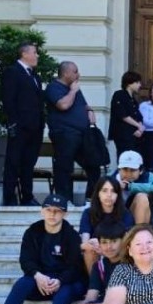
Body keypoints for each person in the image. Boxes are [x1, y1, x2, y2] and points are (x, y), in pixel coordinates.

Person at [43, 61, 100, 202]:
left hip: (82, 134)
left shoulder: (74, 88)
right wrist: (73, 91)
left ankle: (90, 199)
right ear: (66, 73)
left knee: (94, 165)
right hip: (64, 134)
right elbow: (63, 105)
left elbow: (84, 105)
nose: (78, 74)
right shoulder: (53, 87)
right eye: (75, 71)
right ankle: (64, 201)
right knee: (64, 168)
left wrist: (90, 111)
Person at [2, 42, 45, 206]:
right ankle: (9, 198)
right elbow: (9, 99)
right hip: (19, 127)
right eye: (35, 52)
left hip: (35, 128)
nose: (37, 56)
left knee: (29, 163)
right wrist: (13, 123)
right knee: (13, 162)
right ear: (24, 54)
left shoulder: (35, 76)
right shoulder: (13, 72)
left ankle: (27, 196)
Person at [78, 176, 135, 273]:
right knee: (89, 251)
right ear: (98, 194)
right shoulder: (88, 213)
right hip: (96, 252)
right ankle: (94, 285)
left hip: (117, 251)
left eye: (113, 191)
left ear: (117, 195)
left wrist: (109, 248)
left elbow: (128, 240)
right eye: (104, 190)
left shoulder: (125, 214)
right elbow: (84, 242)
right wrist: (93, 245)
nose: (109, 195)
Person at [108, 70, 144, 160]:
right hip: (123, 135)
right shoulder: (119, 95)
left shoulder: (133, 100)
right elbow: (123, 115)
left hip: (135, 137)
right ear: (129, 83)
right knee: (124, 159)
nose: (140, 85)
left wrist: (140, 128)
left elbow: (138, 116)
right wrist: (138, 126)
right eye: (137, 82)